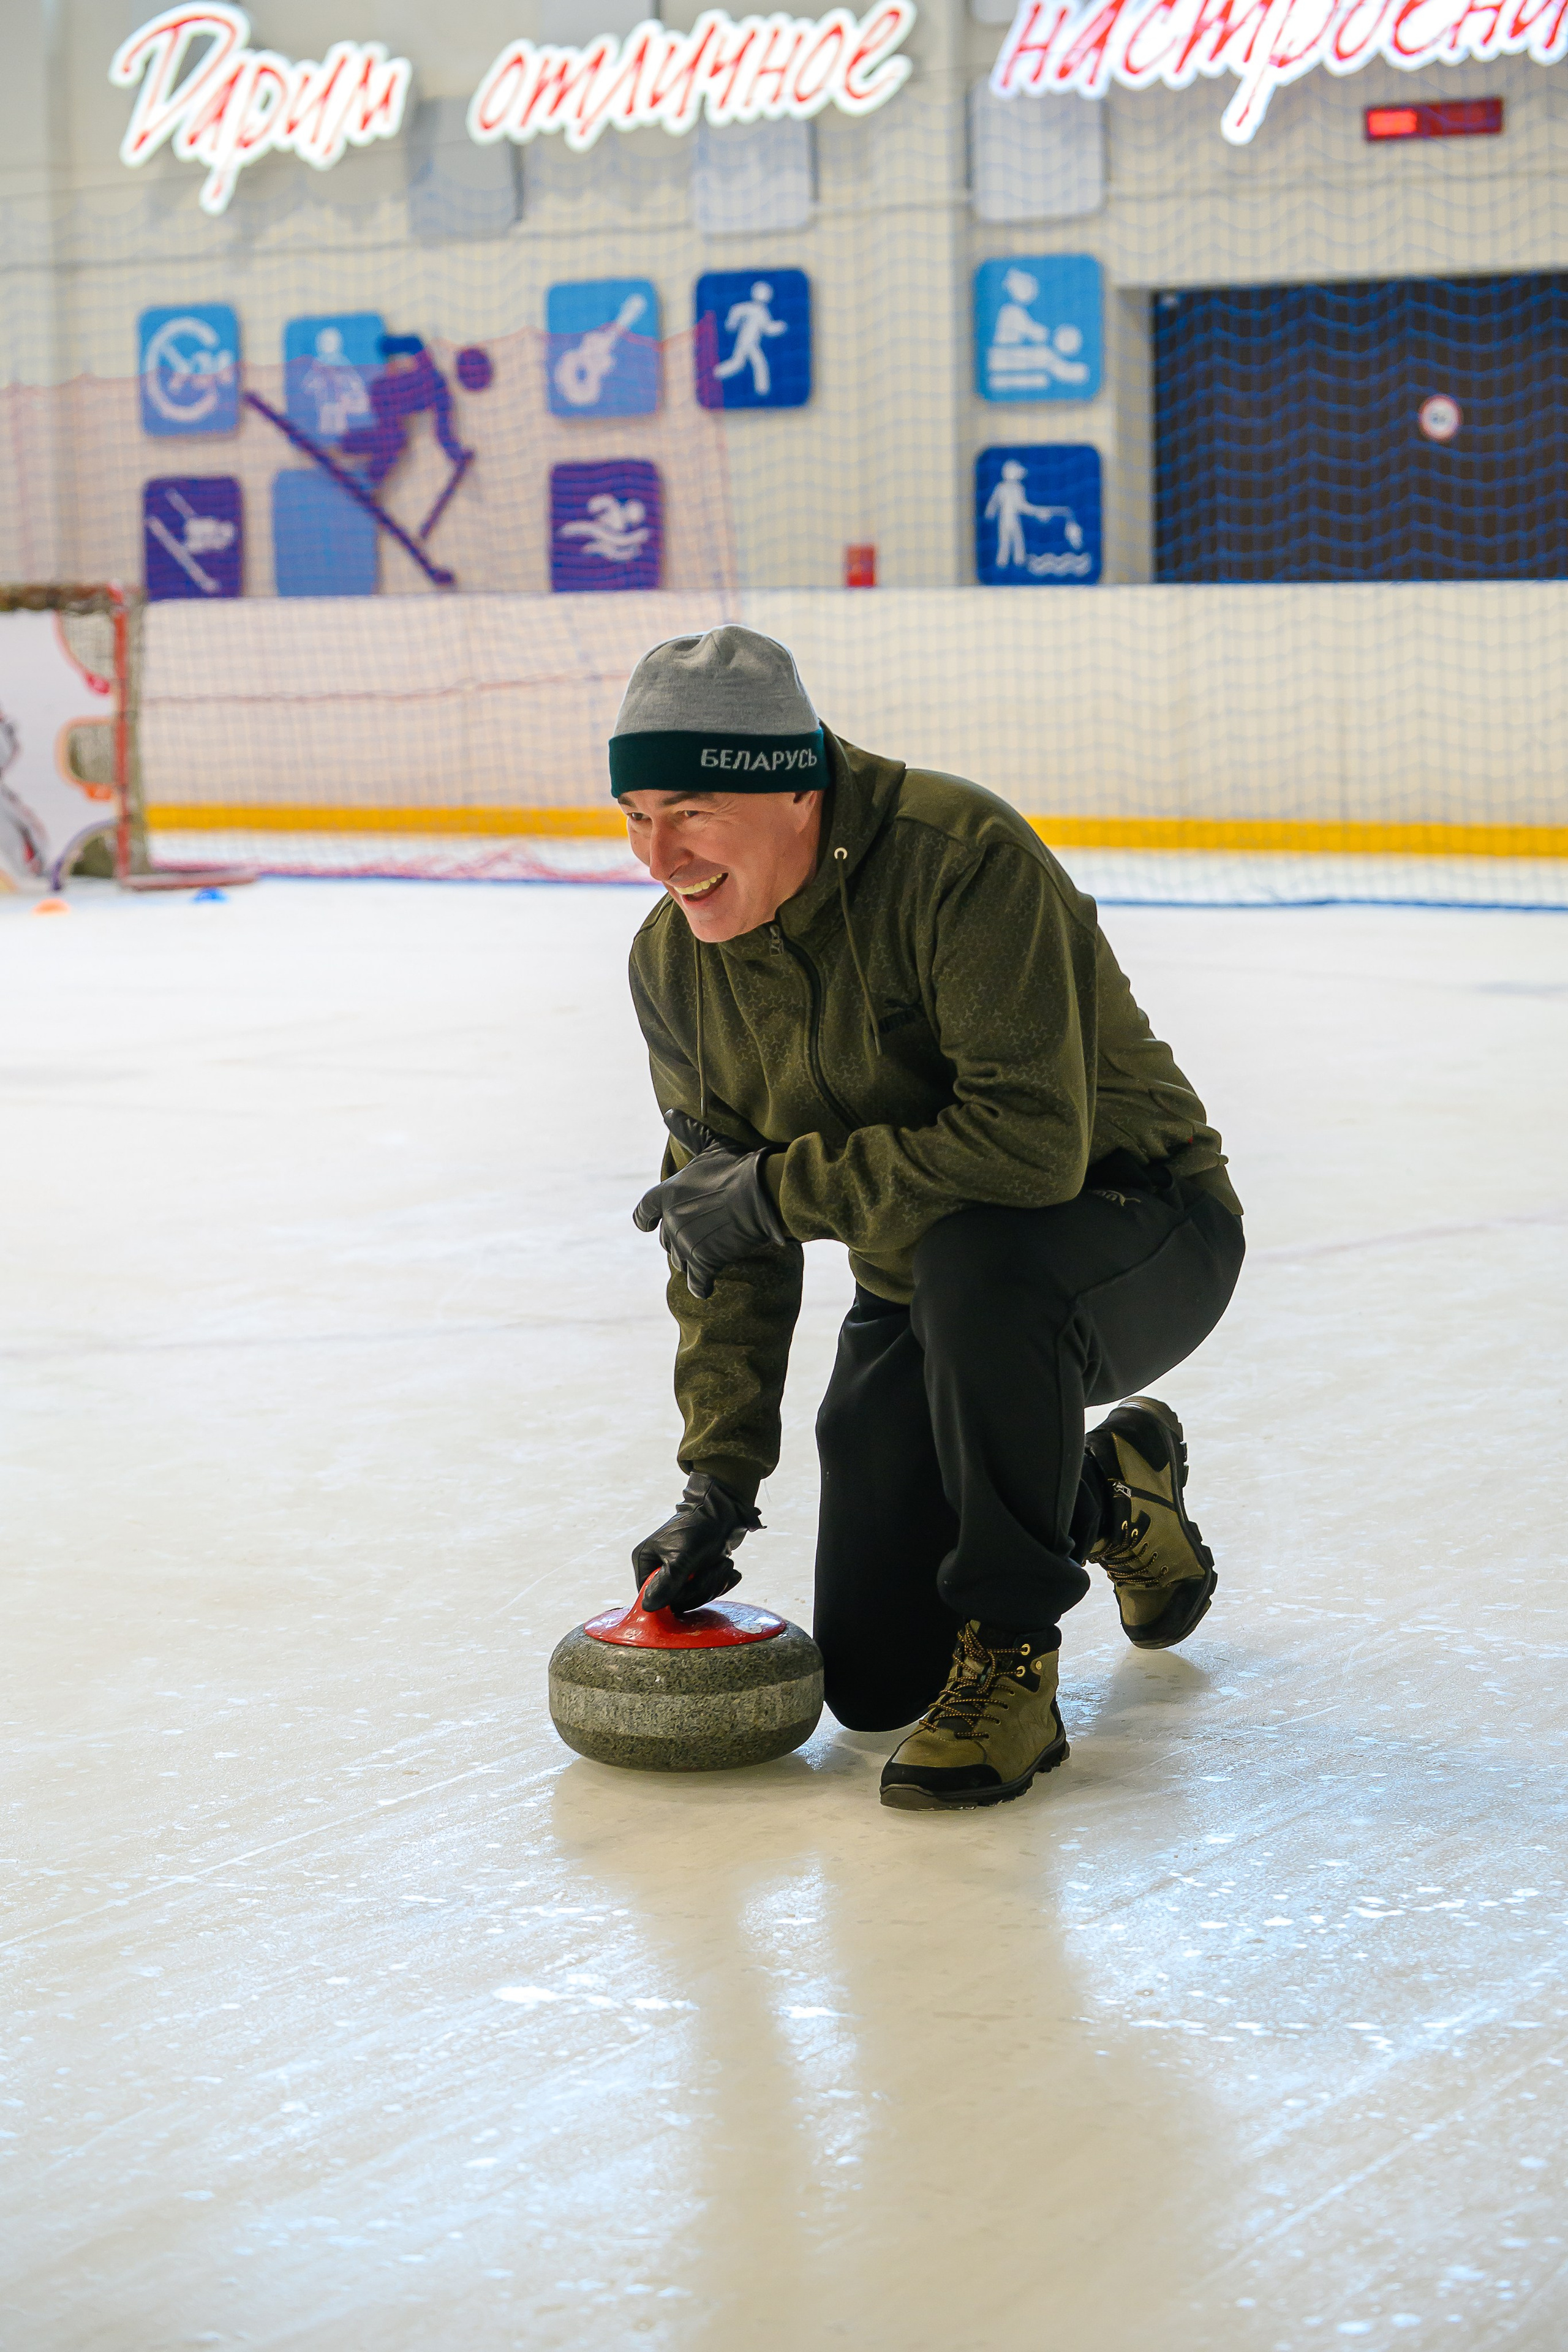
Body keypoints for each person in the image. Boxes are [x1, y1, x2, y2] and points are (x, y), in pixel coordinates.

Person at [617, 627, 1243, 1814]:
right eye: (635, 813)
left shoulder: (957, 859)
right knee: (873, 1678)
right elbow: (720, 1229)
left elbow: (1025, 1148)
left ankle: (1016, 1654)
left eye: (689, 810)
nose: (659, 854)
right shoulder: (673, 964)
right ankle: (1112, 1494)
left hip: (1132, 1226)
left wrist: (776, 1189)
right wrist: (719, 1479)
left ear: (789, 785)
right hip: (929, 1289)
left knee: (977, 1260)